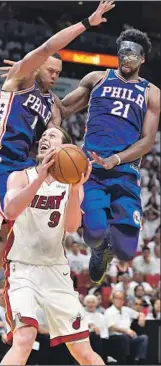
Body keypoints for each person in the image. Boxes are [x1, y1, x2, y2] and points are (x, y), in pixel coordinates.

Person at [0, 0, 115, 289]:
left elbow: (59, 132)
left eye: (58, 72)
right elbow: (45, 49)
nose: (55, 76)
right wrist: (86, 23)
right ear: (38, 67)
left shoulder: (52, 104)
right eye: (51, 70)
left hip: (27, 166)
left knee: (26, 231)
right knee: (9, 233)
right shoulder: (20, 79)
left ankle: (96, 238)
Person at [59, 28, 160, 284]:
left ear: (143, 59)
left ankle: (108, 250)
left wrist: (117, 159)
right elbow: (64, 108)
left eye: (133, 54)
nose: (127, 58)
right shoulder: (97, 78)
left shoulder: (151, 92)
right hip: (92, 169)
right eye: (123, 53)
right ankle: (98, 248)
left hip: (125, 172)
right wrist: (32, 81)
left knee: (127, 252)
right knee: (92, 234)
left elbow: (148, 140)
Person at [0, 126, 104, 365]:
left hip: (56, 270)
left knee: (82, 350)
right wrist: (40, 178)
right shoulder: (21, 176)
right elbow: (10, 210)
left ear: (66, 148)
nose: (45, 138)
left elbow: (71, 226)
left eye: (52, 136)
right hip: (22, 268)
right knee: (25, 338)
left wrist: (76, 188)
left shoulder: (71, 186)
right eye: (44, 136)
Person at [104, 290, 148, 365]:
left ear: (123, 300)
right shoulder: (108, 311)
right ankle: (126, 362)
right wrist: (126, 331)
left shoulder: (126, 310)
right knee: (124, 337)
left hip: (129, 336)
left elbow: (139, 314)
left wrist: (141, 317)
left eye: (121, 298)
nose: (119, 300)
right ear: (113, 299)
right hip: (115, 337)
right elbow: (112, 327)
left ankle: (138, 360)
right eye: (117, 298)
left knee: (144, 338)